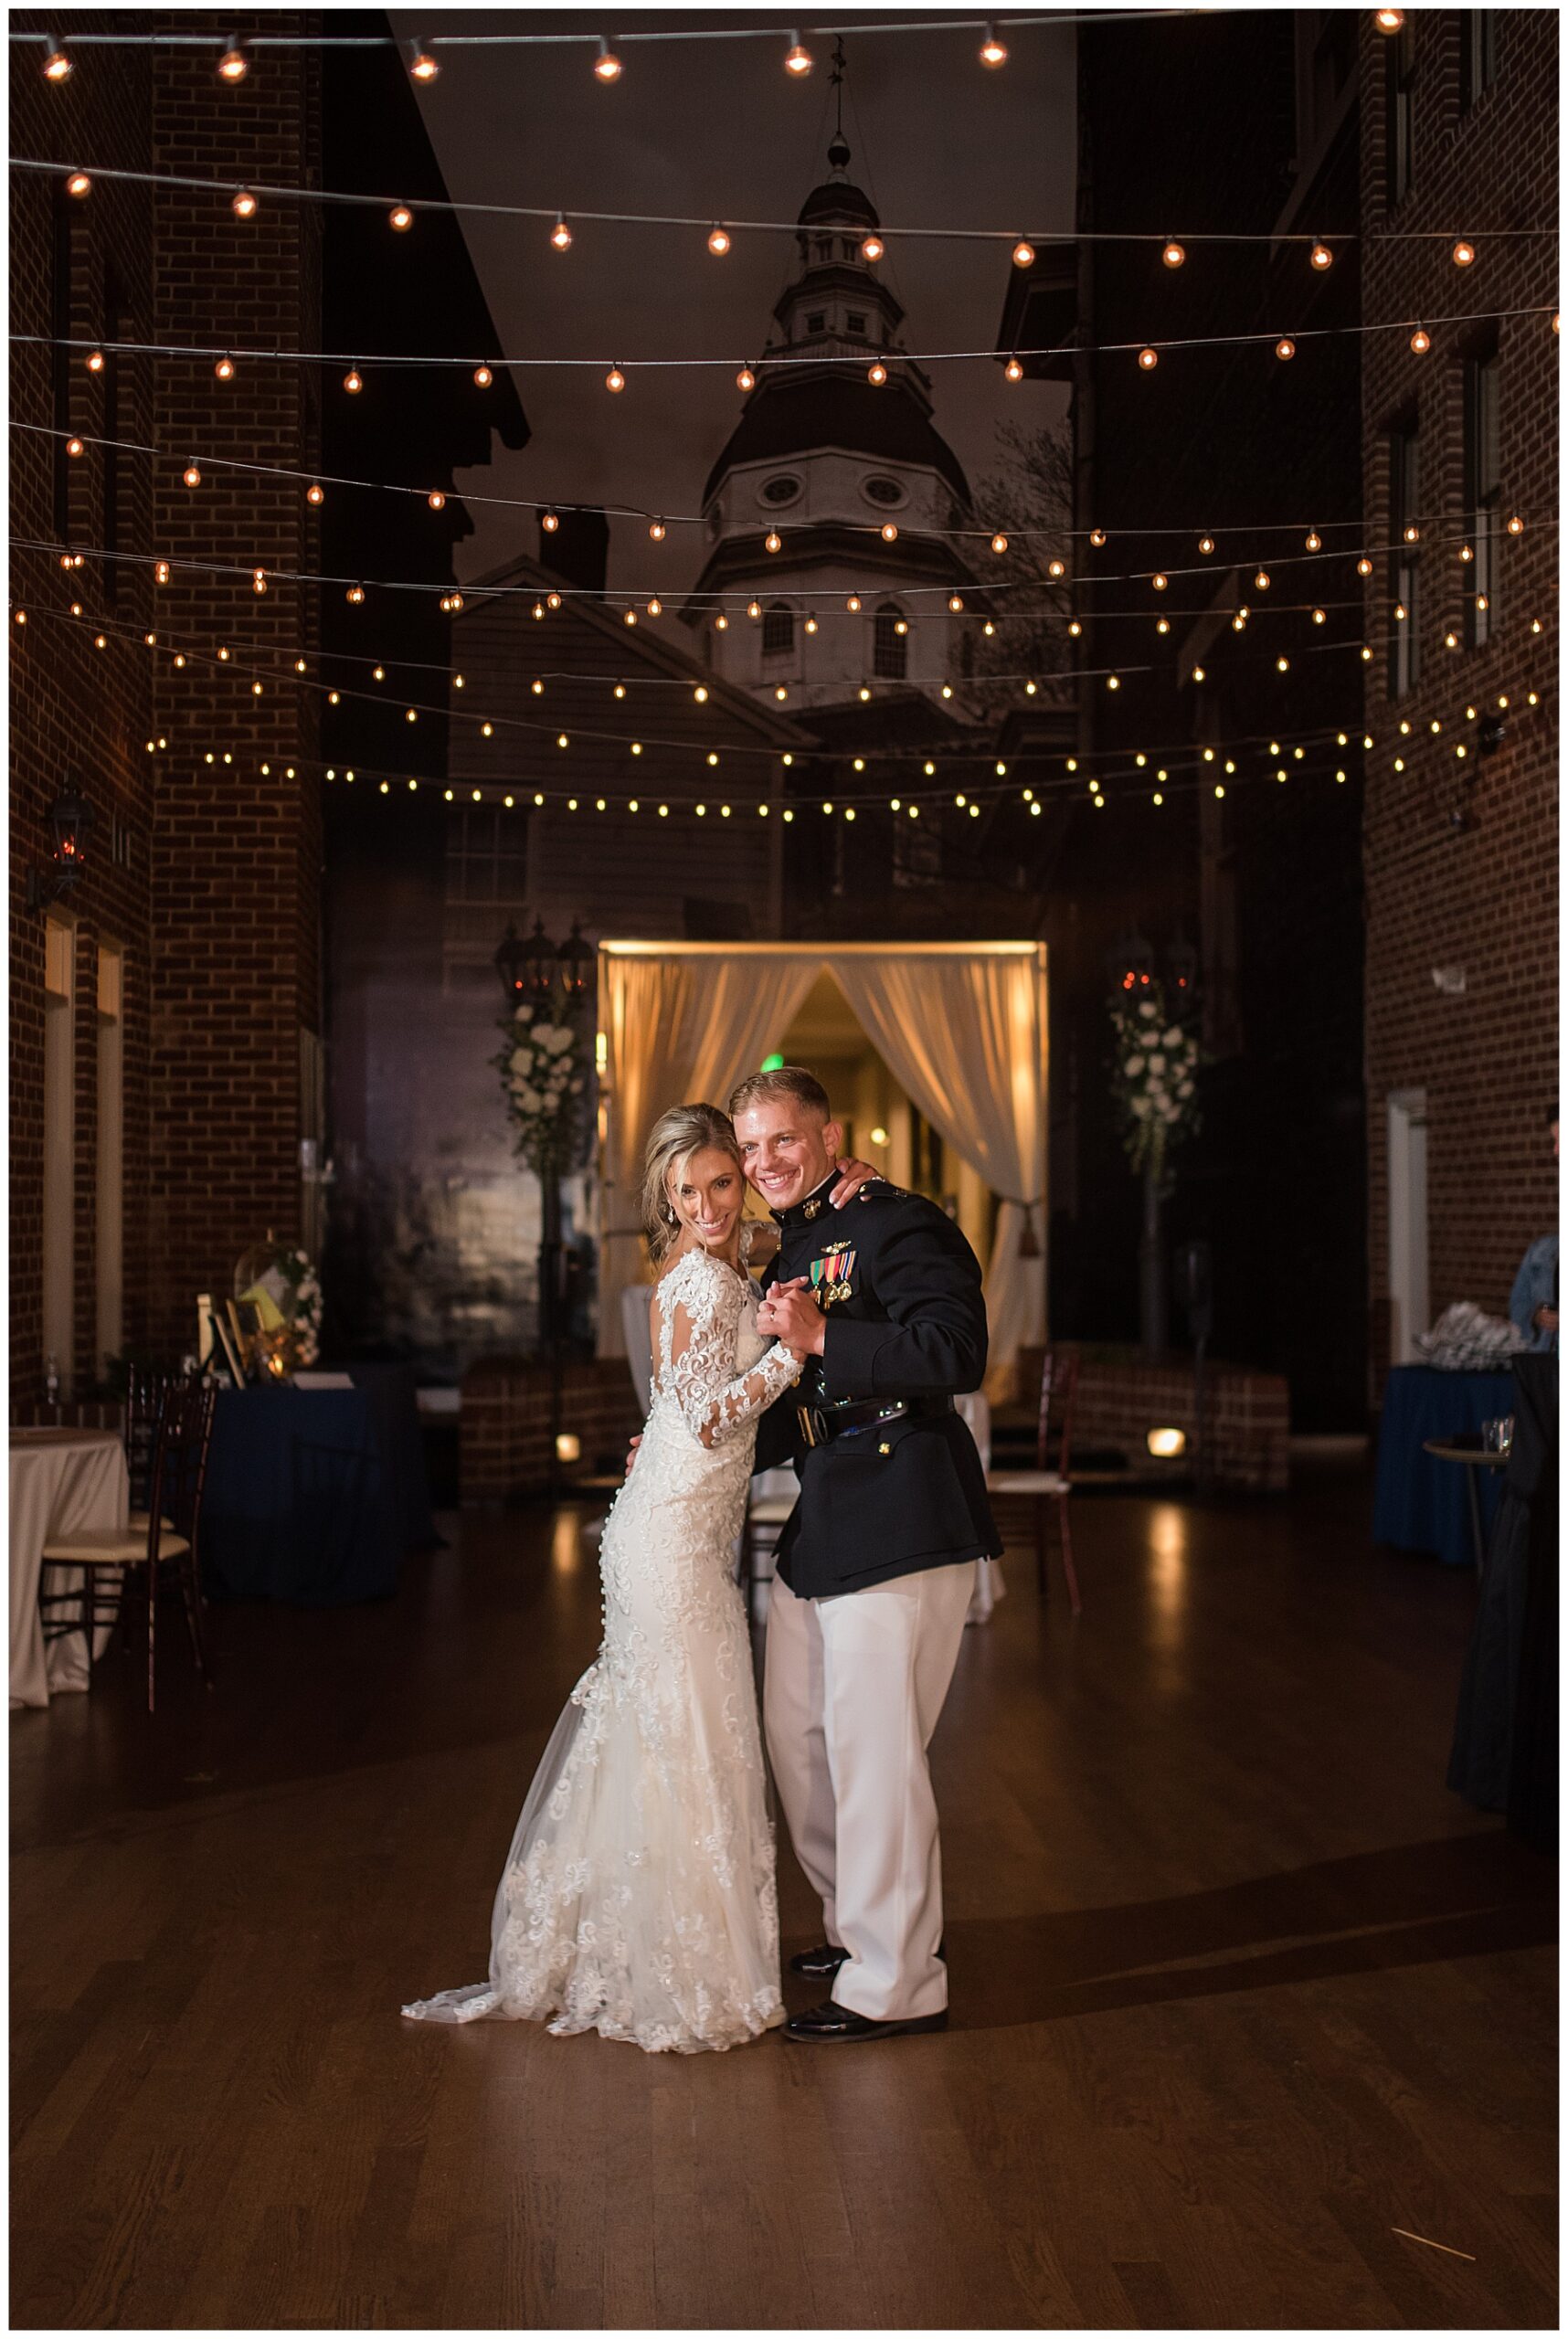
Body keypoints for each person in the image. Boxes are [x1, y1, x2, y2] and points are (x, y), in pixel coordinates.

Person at [401, 1104, 813, 2053]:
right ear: (666, 1198)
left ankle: (651, 1942)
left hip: (666, 1524)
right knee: (692, 1734)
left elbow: (682, 1396)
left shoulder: (706, 1265)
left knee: (670, 1733)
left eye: (724, 1182)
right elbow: (709, 1416)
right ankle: (685, 1963)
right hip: (670, 1540)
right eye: (690, 1190)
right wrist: (793, 1356)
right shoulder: (705, 1283)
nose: (712, 1203)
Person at [736, 1064, 1001, 2043]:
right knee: (802, 1744)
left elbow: (955, 1353)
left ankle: (895, 1979)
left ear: (828, 1133)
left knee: (876, 1757)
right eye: (750, 1146)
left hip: (903, 1509)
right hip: (826, 1521)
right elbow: (796, 1400)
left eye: (784, 1140)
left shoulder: (897, 1222)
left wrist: (823, 1337)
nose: (767, 1161)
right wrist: (693, 1453)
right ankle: (859, 1924)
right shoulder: (791, 1246)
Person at [1509, 1105, 1558, 1355]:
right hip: (1545, 1364)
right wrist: (1536, 1315)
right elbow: (1518, 1308)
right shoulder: (1541, 1253)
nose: (1556, 1150)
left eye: (1562, 1140)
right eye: (1554, 1141)